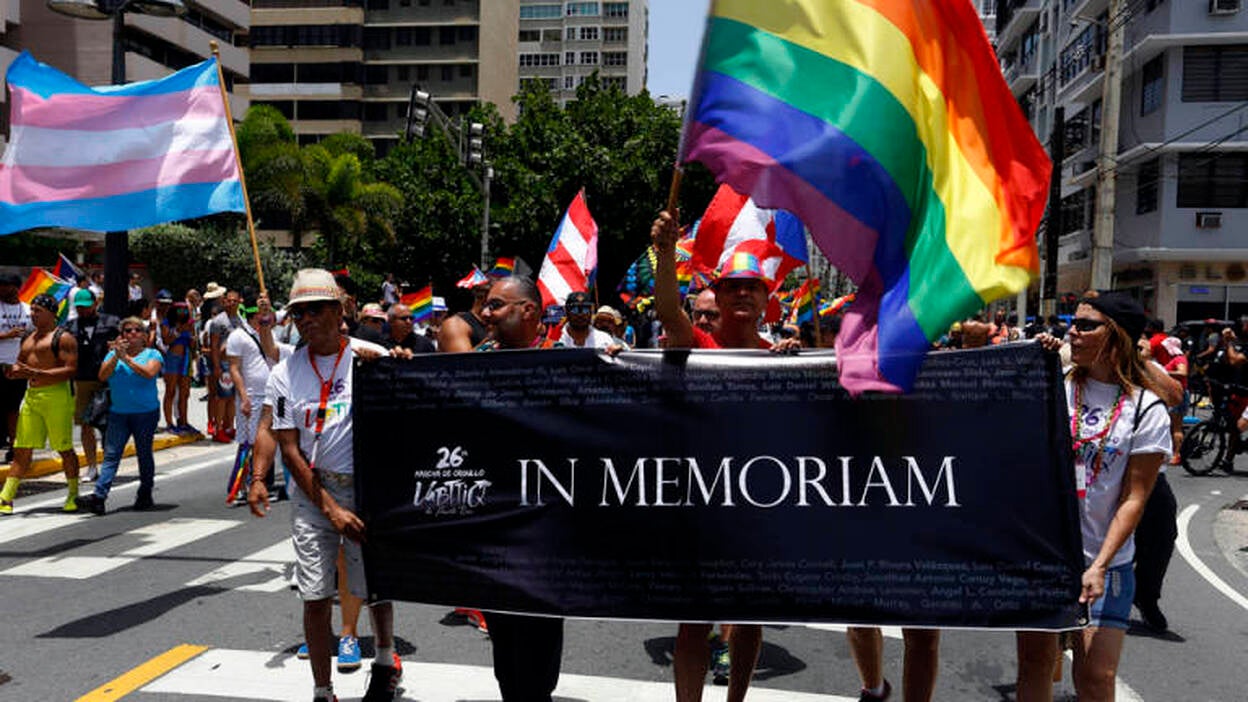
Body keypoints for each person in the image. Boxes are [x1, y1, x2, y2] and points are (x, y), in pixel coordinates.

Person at [652, 210, 802, 702]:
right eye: (732, 285)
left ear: (767, 300)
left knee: (750, 617)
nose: (742, 293)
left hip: (759, 507)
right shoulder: (695, 343)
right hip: (698, 504)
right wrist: (668, 254)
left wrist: (798, 367)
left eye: (751, 287)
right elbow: (670, 311)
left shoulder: (783, 355)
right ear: (716, 294)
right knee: (693, 621)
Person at [259, 269, 402, 702]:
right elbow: (288, 448)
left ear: (339, 312)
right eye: (297, 313)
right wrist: (328, 509)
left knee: (374, 584)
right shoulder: (285, 373)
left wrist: (400, 369)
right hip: (312, 492)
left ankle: (384, 660)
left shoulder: (370, 356)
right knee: (315, 595)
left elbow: (409, 413)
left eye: (314, 310)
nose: (305, 320)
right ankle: (323, 691)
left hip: (366, 489)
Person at [1022, 292, 1171, 702]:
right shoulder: (1052, 385)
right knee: (1035, 667)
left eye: (1087, 324)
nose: (1073, 330)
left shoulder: (1146, 409)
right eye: (1073, 322)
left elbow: (1135, 498)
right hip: (1045, 560)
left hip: (1108, 565)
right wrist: (1032, 360)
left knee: (1096, 679)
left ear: (1117, 336)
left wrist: (1101, 565)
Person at [476, 275, 566, 700]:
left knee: (540, 639)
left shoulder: (566, 362)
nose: (485, 314)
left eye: (496, 306)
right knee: (505, 646)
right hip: (493, 525)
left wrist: (615, 365)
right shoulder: (474, 363)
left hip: (547, 530)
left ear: (528, 310)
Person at [0, 294, 80, 514]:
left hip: (57, 397)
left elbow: (70, 370)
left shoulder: (63, 338)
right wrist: (13, 372)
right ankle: (6, 497)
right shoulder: (28, 337)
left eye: (38, 310)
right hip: (32, 396)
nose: (33, 314)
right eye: (32, 310)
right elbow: (20, 365)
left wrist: (35, 372)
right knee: (21, 449)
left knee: (64, 448)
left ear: (51, 313)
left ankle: (73, 493)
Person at [76, 317, 164, 515]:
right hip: (119, 413)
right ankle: (99, 496)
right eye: (127, 331)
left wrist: (127, 359)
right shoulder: (112, 355)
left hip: (145, 413)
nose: (132, 334)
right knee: (111, 455)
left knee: (144, 453)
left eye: (136, 330)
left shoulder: (153, 354)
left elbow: (149, 373)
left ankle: (145, 491)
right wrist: (116, 356)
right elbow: (102, 376)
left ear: (143, 336)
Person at [226, 294, 292, 502]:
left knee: (267, 439)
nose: (269, 320)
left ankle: (263, 482)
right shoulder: (238, 336)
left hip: (271, 395)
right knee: (248, 441)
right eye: (263, 316)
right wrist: (243, 396)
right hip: (251, 397)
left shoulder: (269, 336)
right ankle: (239, 486)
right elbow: (234, 369)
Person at [64, 288, 120, 481]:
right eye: (79, 308)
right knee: (85, 424)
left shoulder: (112, 323)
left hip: (107, 379)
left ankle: (109, 465)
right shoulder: (69, 327)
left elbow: (125, 343)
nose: (83, 311)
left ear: (95, 304)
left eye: (86, 307)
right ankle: (91, 467)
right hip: (82, 380)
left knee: (108, 424)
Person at [0, 273, 33, 464]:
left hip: (18, 366)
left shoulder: (28, 310)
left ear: (16, 287)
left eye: (6, 285)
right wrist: (6, 335)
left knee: (14, 409)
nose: (2, 289)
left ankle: (14, 446)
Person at [208, 289, 244, 442]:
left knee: (232, 398)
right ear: (224, 302)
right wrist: (216, 366)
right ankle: (219, 429)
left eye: (234, 300)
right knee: (222, 398)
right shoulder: (218, 322)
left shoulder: (240, 320)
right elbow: (214, 345)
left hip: (235, 364)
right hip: (222, 364)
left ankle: (229, 426)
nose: (232, 303)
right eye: (229, 300)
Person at [161, 301, 196, 434]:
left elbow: (192, 343)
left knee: (184, 392)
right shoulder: (166, 323)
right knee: (170, 391)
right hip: (172, 358)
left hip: (186, 357)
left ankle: (183, 421)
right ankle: (169, 423)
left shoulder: (190, 323)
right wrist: (179, 330)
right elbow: (166, 341)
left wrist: (193, 340)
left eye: (185, 310)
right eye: (180, 310)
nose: (183, 313)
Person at [438, 281, 491, 352]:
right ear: (484, 298)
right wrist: (491, 343)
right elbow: (462, 361)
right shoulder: (455, 325)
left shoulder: (494, 324)